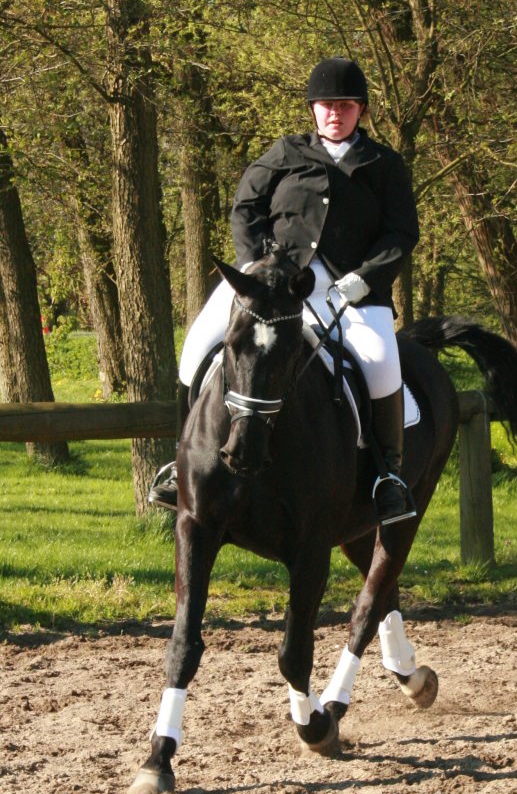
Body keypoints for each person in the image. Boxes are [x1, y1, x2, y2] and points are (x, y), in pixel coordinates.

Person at [149, 56, 420, 524]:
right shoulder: (285, 153)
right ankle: (181, 462)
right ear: (313, 109)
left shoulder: (385, 164)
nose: (335, 113)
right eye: (327, 105)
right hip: (271, 285)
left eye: (346, 105)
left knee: (380, 364)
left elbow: (401, 232)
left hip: (351, 291)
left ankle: (387, 476)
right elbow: (245, 207)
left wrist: (366, 277)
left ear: (361, 110)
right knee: (197, 345)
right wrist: (256, 266)